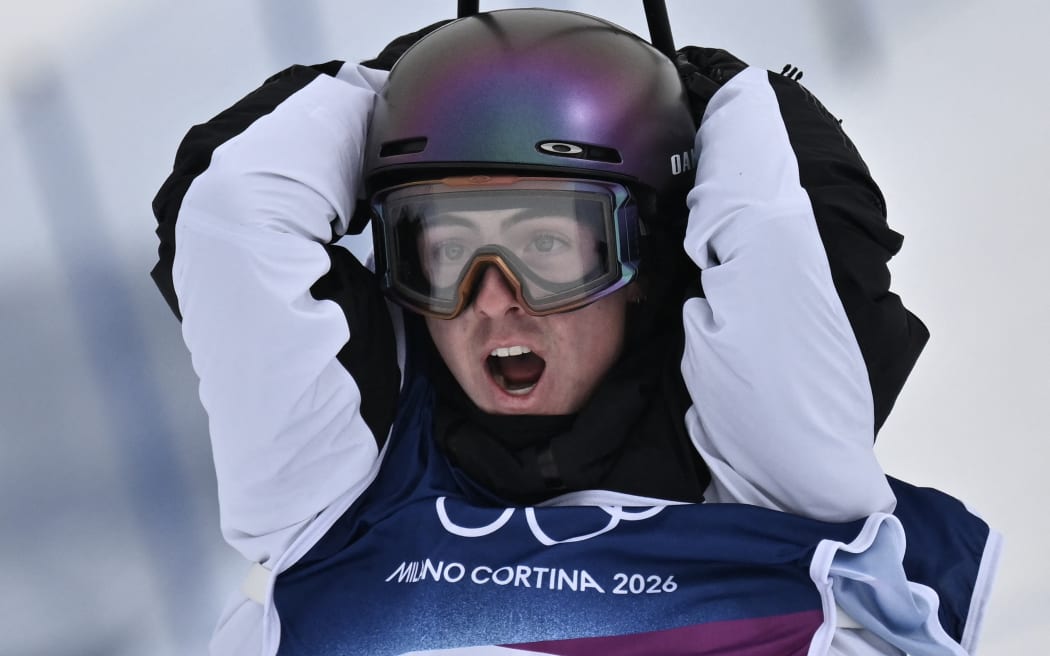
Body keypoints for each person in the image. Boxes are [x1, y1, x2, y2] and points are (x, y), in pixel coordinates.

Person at [151, 8, 999, 656]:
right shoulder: (337, 488)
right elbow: (230, 215)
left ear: (643, 261)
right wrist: (409, 82)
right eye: (444, 253)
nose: (492, 300)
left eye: (547, 247)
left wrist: (701, 95)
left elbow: (781, 224)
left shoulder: (762, 477)